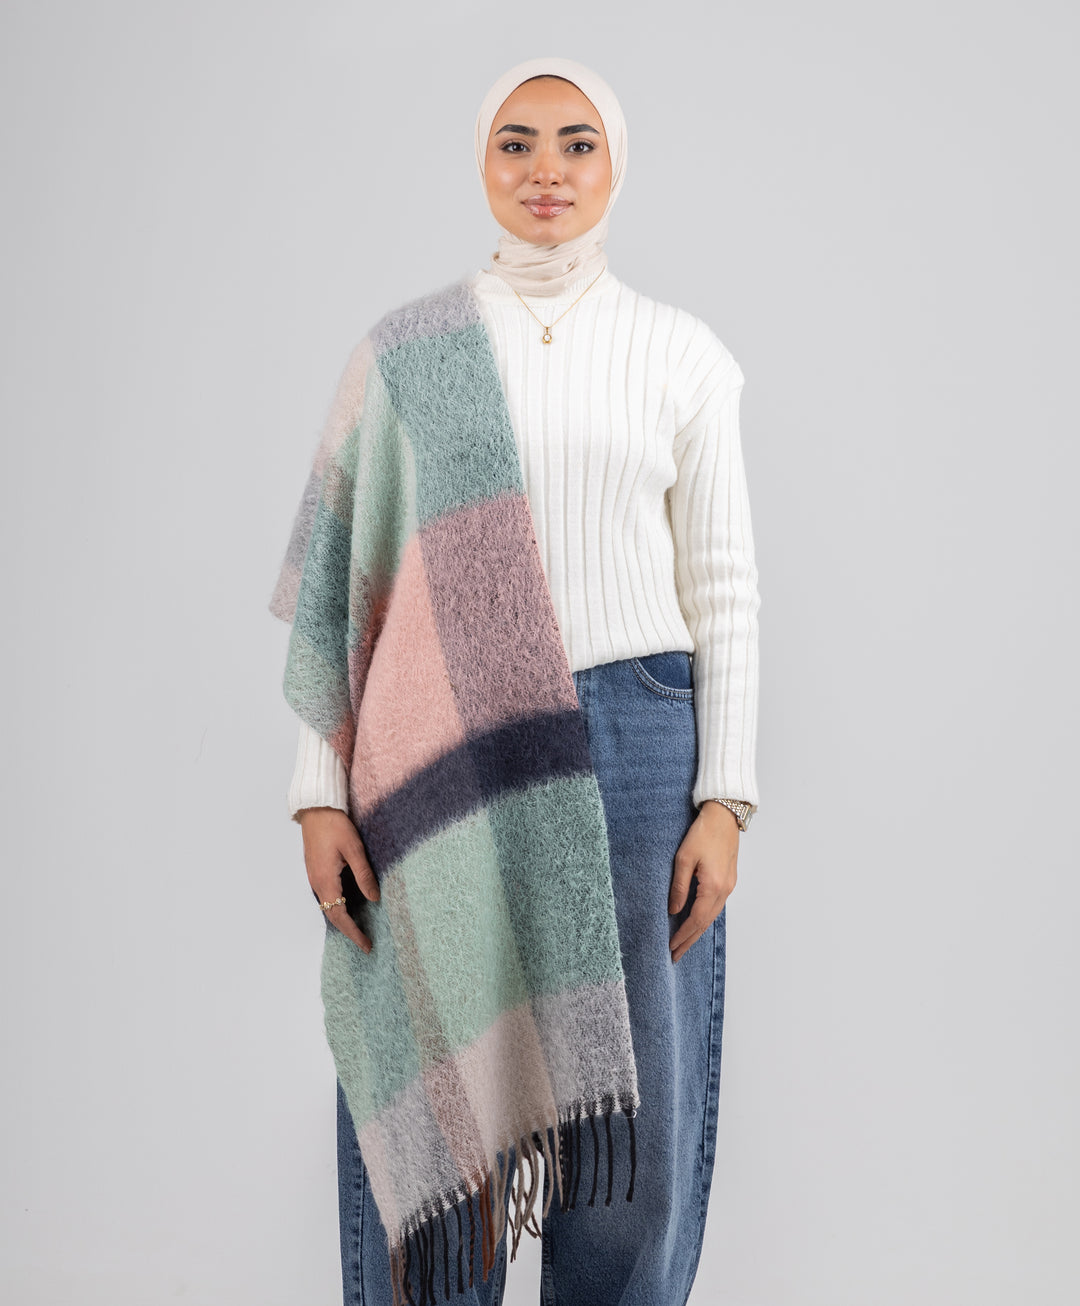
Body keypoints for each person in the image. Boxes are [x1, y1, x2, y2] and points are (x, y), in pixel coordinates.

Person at [276, 55, 761, 1306]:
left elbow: (724, 589)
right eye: (518, 142)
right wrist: (318, 790)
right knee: (445, 1065)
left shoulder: (682, 354)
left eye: (577, 143)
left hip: (641, 743)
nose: (548, 169)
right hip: (445, 745)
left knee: (632, 1116)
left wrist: (728, 797)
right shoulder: (407, 355)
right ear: (483, 163)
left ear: (616, 164)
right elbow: (343, 597)